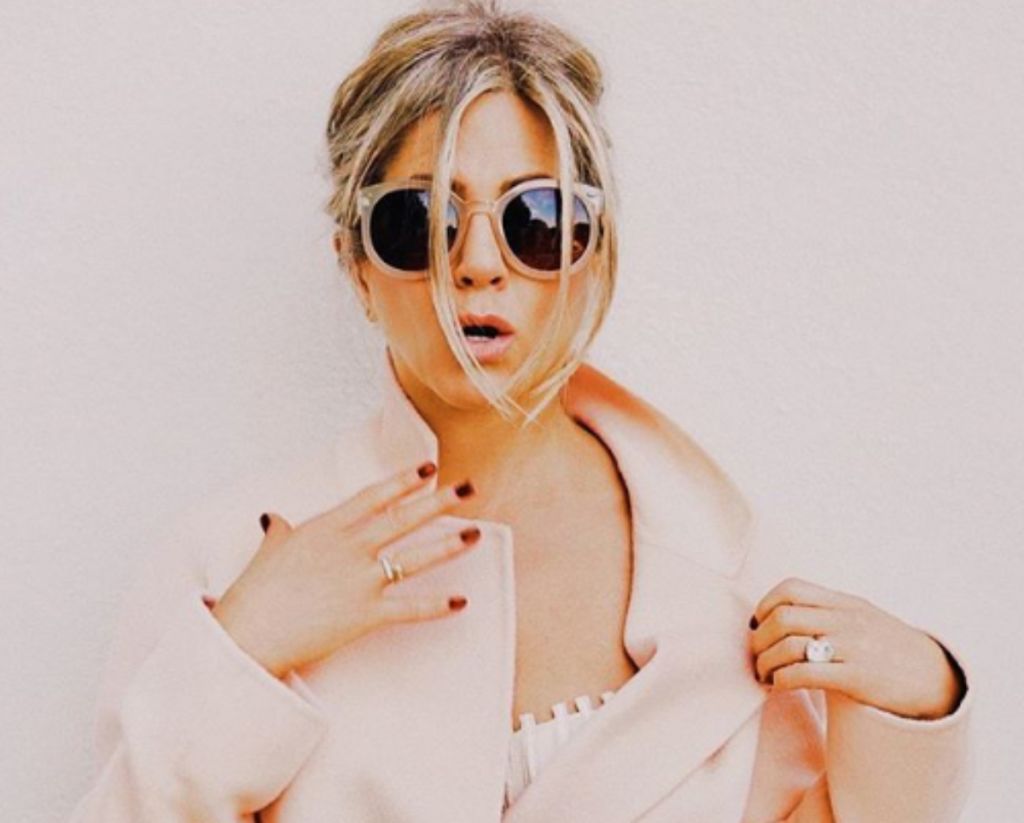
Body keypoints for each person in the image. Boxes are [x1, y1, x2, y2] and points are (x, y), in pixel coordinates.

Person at [68, 1, 973, 821]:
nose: (477, 265)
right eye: (419, 220)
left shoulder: (721, 556)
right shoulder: (230, 559)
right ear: (357, 265)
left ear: (591, 248)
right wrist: (244, 653)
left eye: (535, 218)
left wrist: (920, 707)